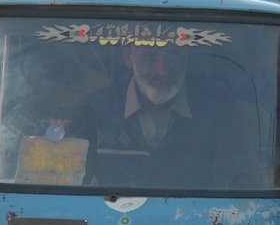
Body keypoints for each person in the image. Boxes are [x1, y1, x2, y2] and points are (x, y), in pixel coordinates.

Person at [72, 44, 256, 189]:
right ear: (128, 56)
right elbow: (75, 184)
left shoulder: (220, 111)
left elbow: (240, 185)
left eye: (174, 55)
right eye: (150, 57)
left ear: (187, 56)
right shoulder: (94, 110)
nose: (163, 70)